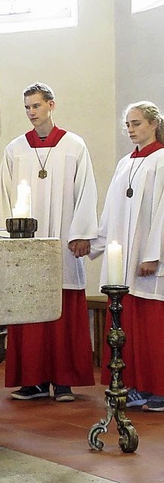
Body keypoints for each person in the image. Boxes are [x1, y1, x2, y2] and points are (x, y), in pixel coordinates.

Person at [0, 82, 98, 402]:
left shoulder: (74, 146)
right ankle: (32, 380)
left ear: (51, 105)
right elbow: (3, 196)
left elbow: (86, 191)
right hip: (26, 245)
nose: (31, 113)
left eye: (36, 106)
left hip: (63, 241)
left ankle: (63, 381)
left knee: (64, 308)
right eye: (27, 108)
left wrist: (81, 234)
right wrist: (3, 238)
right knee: (29, 307)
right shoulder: (15, 149)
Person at [91, 101, 164, 412]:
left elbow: (162, 213)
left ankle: (158, 389)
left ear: (153, 124)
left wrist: (153, 255)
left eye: (136, 124)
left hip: (148, 262)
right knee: (125, 324)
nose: (131, 130)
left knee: (151, 327)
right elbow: (111, 210)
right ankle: (132, 385)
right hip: (124, 262)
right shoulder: (125, 163)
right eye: (128, 125)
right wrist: (98, 244)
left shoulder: (161, 160)